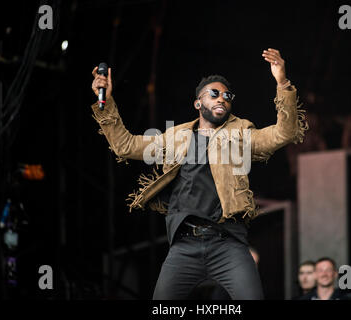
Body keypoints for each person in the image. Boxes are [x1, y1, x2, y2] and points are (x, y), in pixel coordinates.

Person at [90, 48, 308, 300]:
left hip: (228, 243)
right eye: (214, 94)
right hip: (185, 245)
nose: (222, 99)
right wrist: (105, 103)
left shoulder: (241, 133)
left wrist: (282, 82)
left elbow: (285, 133)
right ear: (198, 103)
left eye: (227, 96)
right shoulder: (176, 137)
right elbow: (125, 146)